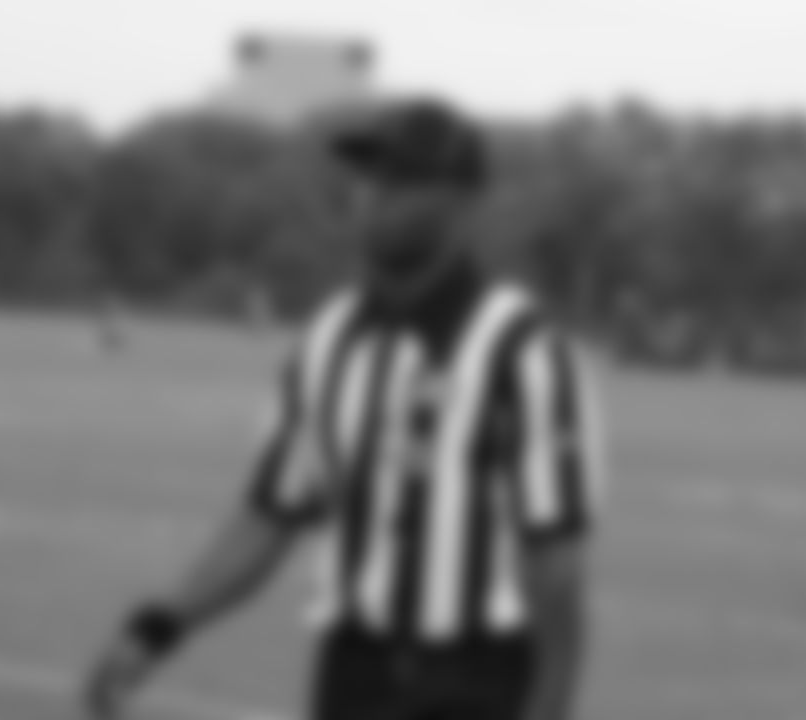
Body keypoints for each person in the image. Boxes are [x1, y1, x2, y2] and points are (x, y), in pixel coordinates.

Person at [83, 98, 605, 720]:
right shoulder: (331, 338)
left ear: (462, 202)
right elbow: (271, 512)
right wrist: (158, 627)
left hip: (476, 679)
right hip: (353, 674)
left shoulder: (522, 348)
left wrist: (550, 706)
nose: (374, 193)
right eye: (368, 174)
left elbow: (556, 566)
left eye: (404, 178)